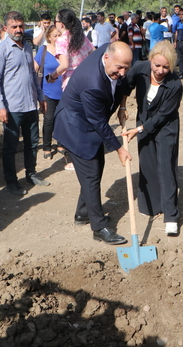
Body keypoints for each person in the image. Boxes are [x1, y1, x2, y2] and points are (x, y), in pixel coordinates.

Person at [52, 42, 133, 245]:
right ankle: (99, 228)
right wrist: (119, 149)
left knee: (94, 171)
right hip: (75, 128)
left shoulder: (109, 50)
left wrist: (122, 104)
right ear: (106, 58)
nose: (123, 72)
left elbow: (121, 81)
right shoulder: (93, 84)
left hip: (87, 124)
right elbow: (98, 122)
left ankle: (82, 214)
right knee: (91, 176)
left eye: (126, 67)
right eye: (119, 68)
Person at [121, 41, 183, 235]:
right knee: (147, 164)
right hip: (143, 120)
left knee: (166, 167)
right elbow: (125, 85)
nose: (160, 70)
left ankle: (171, 216)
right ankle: (151, 206)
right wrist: (122, 106)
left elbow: (162, 116)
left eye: (166, 67)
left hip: (166, 127)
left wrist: (138, 129)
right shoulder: (140, 69)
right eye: (157, 65)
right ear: (150, 61)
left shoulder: (175, 84)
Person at [0, 11, 49, 196]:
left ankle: (31, 173)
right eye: (14, 26)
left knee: (32, 142)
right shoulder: (1, 50)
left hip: (30, 104)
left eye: (21, 26)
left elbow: (33, 75)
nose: (18, 30)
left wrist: (40, 97)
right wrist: (0, 106)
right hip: (12, 107)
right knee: (10, 146)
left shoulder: (27, 47)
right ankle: (10, 181)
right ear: (6, 28)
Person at [33, 25, 63, 159]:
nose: (57, 38)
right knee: (49, 119)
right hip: (48, 91)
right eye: (55, 36)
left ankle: (61, 144)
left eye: (59, 35)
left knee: (62, 119)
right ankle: (47, 147)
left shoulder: (66, 50)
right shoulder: (43, 50)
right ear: (49, 38)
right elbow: (34, 68)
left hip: (64, 91)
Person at [49, 8, 95, 91]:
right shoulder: (82, 37)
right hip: (87, 80)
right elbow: (94, 53)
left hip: (72, 83)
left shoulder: (61, 40)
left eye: (55, 21)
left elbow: (64, 65)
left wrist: (52, 76)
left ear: (61, 24)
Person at [174, 10, 183, 79]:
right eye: (180, 14)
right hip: (179, 42)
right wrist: (175, 41)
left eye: (182, 14)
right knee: (180, 58)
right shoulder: (178, 23)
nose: (181, 16)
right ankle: (181, 73)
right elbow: (176, 32)